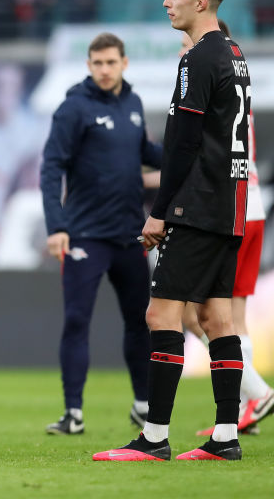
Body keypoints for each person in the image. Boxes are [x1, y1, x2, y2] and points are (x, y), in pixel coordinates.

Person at [95, 0, 250, 462]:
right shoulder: (234, 53)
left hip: (199, 204)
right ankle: (225, 439)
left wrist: (160, 212)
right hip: (230, 204)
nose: (167, 2)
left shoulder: (199, 58)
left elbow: (182, 144)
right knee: (217, 317)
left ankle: (154, 437)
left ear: (199, 2)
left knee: (160, 313)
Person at [40, 32, 162, 436]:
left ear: (124, 63)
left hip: (130, 234)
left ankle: (143, 405)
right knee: (77, 320)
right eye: (98, 63)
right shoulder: (73, 108)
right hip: (84, 235)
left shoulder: (134, 103)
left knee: (139, 321)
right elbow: (51, 167)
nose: (105, 70)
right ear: (89, 65)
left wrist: (187, 152)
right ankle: (73, 413)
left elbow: (143, 152)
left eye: (111, 62)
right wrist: (56, 226)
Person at [176, 24, 274, 436]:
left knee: (192, 311)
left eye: (188, 42)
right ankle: (246, 409)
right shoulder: (236, 81)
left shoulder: (205, 78)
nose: (184, 48)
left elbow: (197, 147)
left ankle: (255, 393)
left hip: (227, 208)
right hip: (252, 204)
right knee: (234, 315)